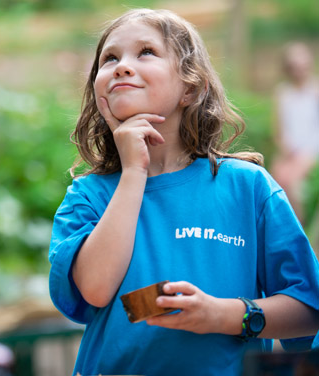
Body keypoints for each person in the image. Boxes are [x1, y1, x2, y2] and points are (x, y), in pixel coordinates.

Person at [48, 8, 319, 376]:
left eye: (146, 52)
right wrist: (133, 171)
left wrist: (224, 315)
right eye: (110, 58)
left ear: (191, 87)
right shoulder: (87, 196)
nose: (122, 66)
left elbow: (308, 310)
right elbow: (95, 289)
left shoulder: (249, 188)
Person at [270, 41, 319, 226]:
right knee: (276, 178)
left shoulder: (315, 91)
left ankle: (298, 226)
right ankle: (282, 224)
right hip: (290, 149)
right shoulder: (283, 93)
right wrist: (285, 147)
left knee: (291, 181)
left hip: (310, 148)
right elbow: (279, 128)